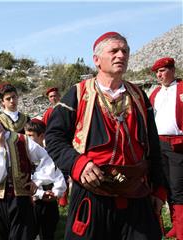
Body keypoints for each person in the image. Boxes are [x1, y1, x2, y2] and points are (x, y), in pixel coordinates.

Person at [45, 31, 166, 239]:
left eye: (125, 51)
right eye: (114, 51)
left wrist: (159, 189)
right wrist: (77, 163)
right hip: (93, 193)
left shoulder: (138, 96)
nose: (121, 55)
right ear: (97, 60)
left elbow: (153, 145)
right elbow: (54, 138)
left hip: (136, 191)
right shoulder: (78, 94)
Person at [0, 106, 60, 240]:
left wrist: (37, 181)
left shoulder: (22, 140)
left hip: (19, 199)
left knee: (21, 235)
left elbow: (46, 160)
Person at [149, 57, 183, 239]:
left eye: (162, 71)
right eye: (157, 72)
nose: (159, 75)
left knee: (178, 187)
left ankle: (181, 228)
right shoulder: (155, 93)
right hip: (159, 144)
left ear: (172, 70)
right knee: (166, 186)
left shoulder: (182, 88)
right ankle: (176, 225)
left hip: (178, 144)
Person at [24, 119, 66, 240]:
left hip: (49, 200)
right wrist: (39, 193)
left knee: (48, 232)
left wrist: (56, 193)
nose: (27, 139)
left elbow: (59, 175)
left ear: (41, 136)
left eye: (31, 136)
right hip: (32, 199)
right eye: (26, 135)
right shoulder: (24, 155)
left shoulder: (52, 154)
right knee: (30, 232)